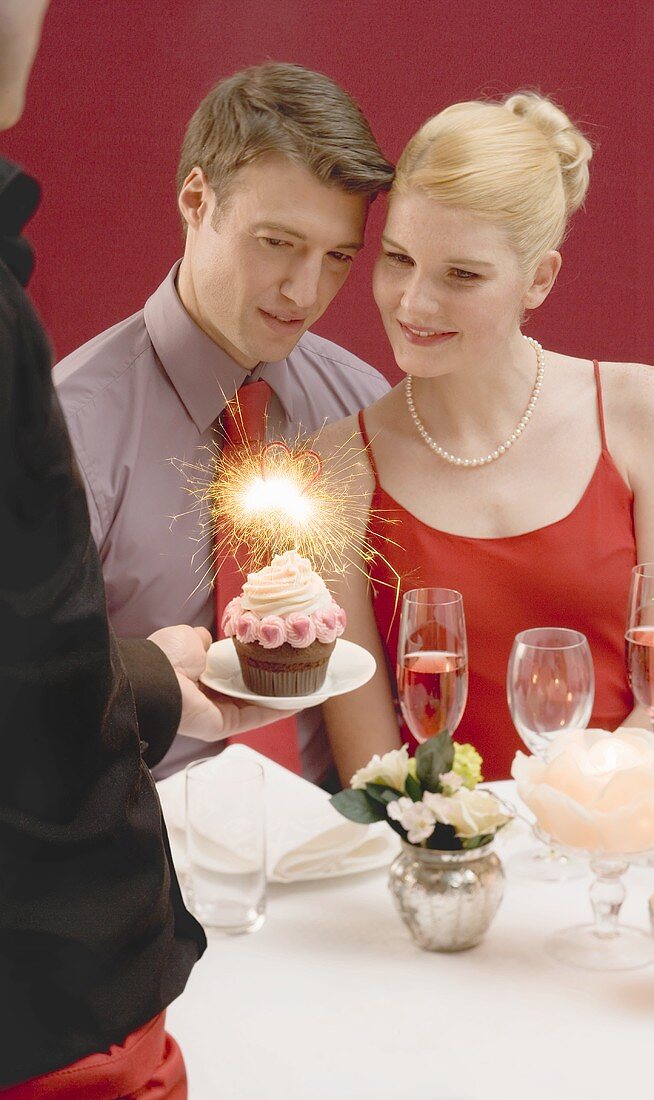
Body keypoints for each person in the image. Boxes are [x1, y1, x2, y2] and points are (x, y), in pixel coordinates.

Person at [0, 4, 286, 1092]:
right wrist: (157, 685)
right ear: (195, 201)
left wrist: (153, 677)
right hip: (55, 998)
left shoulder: (341, 408)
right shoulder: (67, 383)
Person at [318, 93, 654, 783]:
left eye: (461, 275)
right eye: (398, 258)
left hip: (626, 836)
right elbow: (375, 771)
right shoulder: (337, 466)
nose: (413, 302)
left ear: (539, 279)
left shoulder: (645, 413)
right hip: (446, 860)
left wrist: (568, 834)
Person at [54, 62, 394, 783]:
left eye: (337, 258)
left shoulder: (362, 405)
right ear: (196, 199)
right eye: (278, 243)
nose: (305, 292)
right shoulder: (64, 432)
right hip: (138, 862)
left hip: (332, 849)